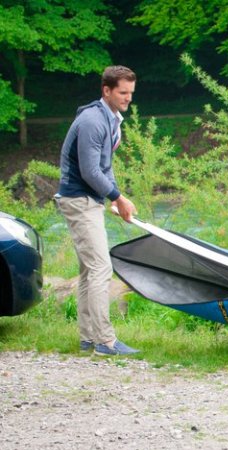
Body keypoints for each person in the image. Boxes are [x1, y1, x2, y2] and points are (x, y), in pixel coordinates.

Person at [55, 65, 140, 356]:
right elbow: (90, 171)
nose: (128, 98)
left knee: (88, 271)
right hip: (79, 201)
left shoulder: (110, 118)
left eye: (131, 93)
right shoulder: (93, 120)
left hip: (88, 200)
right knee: (101, 269)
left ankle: (88, 338)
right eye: (122, 92)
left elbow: (105, 166)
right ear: (106, 90)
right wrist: (117, 197)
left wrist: (117, 199)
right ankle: (105, 341)